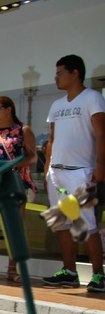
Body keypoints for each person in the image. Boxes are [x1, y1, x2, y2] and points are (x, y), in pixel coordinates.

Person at [42, 54, 105, 292]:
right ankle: (69, 272)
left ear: (75, 73)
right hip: (56, 173)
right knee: (62, 223)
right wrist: (47, 168)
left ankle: (99, 274)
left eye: (60, 73)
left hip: (81, 172)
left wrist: (100, 167)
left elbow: (101, 134)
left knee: (87, 224)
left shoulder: (93, 98)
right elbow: (51, 139)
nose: (56, 77)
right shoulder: (57, 105)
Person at [0, 96, 37, 283]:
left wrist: (13, 165)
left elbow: (32, 157)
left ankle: (12, 270)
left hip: (14, 184)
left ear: (9, 109)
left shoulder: (23, 131)